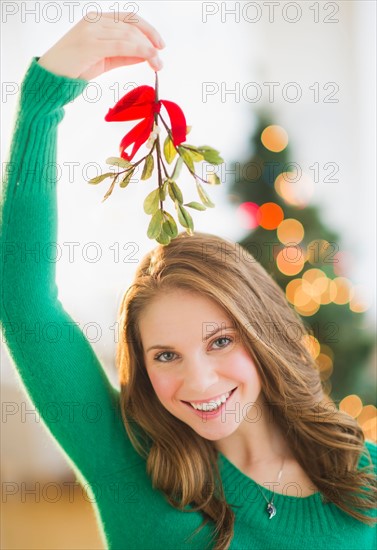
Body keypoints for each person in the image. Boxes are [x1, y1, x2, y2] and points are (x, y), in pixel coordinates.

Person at [1, 12, 376, 550]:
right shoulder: (131, 462)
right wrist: (44, 99)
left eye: (220, 341)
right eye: (165, 355)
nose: (199, 384)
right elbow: (25, 304)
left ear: (264, 331)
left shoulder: (362, 477)